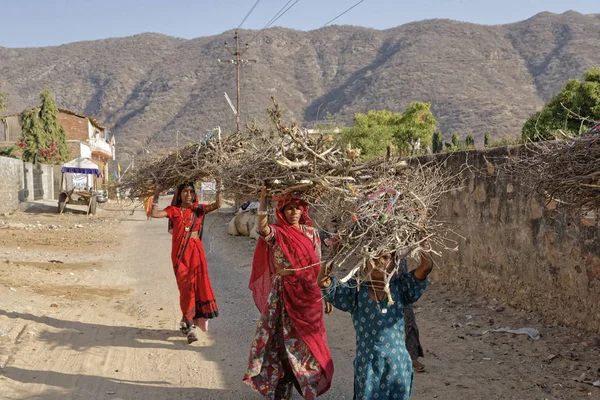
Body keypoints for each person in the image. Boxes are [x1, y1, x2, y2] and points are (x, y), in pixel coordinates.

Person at [244, 185, 334, 399]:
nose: (294, 212)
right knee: (283, 340)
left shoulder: (312, 234)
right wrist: (264, 198)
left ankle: (305, 382)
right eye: (289, 209)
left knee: (309, 341)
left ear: (303, 210)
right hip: (284, 294)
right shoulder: (277, 232)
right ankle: (284, 384)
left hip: (309, 294)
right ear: (281, 212)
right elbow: (263, 227)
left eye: (297, 208)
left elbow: (318, 265)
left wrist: (327, 293)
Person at [318, 248, 433, 400]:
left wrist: (423, 239)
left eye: (385, 258)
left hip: (398, 368)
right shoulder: (355, 292)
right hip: (368, 369)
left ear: (394, 262)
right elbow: (323, 281)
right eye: (373, 259)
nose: (379, 263)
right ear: (364, 262)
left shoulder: (401, 288)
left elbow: (426, 267)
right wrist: (337, 248)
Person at [150, 181, 221, 344]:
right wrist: (156, 193)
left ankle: (189, 323)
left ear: (194, 194)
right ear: (179, 194)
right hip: (180, 256)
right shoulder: (174, 211)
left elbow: (218, 204)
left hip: (196, 255)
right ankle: (189, 324)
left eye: (191, 191)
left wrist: (219, 183)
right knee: (186, 288)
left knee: (195, 288)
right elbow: (154, 214)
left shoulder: (199, 209)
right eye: (185, 191)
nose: (188, 195)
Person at [398, 258, 426, 373]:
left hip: (401, 289)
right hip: (380, 289)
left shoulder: (400, 246)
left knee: (409, 321)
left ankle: (412, 357)